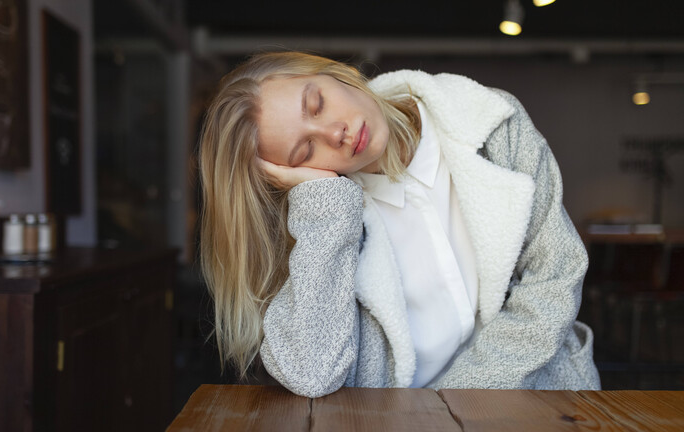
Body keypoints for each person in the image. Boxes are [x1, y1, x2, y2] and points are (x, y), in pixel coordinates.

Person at [198, 51, 601, 397]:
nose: (334, 133)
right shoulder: (315, 226)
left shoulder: (491, 122)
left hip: (539, 403)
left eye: (317, 103)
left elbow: (556, 274)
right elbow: (311, 374)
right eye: (305, 150)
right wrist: (326, 207)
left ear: (337, 74)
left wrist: (454, 405)